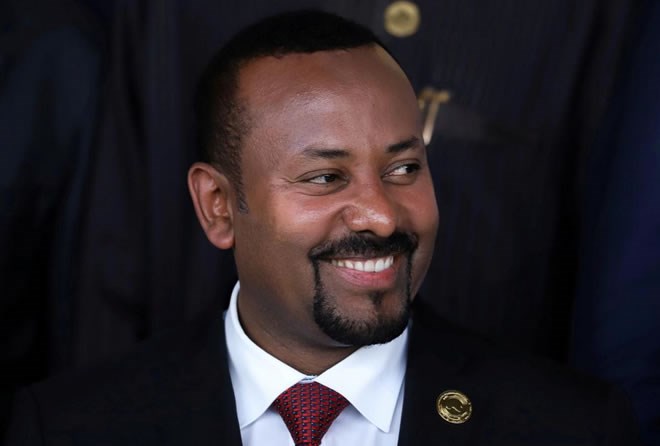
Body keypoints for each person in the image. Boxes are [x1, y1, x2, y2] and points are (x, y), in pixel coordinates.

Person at [5, 10, 640, 446]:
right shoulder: (69, 428)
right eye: (324, 179)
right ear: (218, 206)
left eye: (403, 167)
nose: (382, 215)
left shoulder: (574, 428)